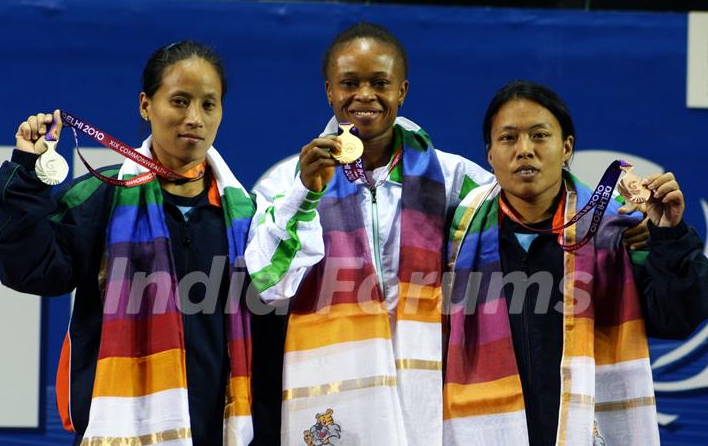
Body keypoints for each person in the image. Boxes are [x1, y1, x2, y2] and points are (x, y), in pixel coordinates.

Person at [0, 41, 254, 446]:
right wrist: (25, 171)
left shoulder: (243, 215)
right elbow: (31, 269)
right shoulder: (101, 196)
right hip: (118, 432)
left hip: (215, 433)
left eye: (208, 105)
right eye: (179, 101)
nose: (194, 118)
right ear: (146, 105)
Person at [245, 22, 494, 445]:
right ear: (329, 90)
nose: (364, 95)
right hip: (332, 389)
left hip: (429, 385)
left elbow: (527, 221)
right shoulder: (287, 179)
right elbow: (269, 282)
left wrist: (625, 222)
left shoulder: (456, 179)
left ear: (402, 91)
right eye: (349, 83)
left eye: (380, 82)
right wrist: (305, 193)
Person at [444, 79, 708, 445]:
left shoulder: (618, 234)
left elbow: (677, 318)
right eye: (508, 138)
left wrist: (671, 235)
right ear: (489, 154)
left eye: (539, 136)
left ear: (566, 147)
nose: (524, 150)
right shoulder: (456, 239)